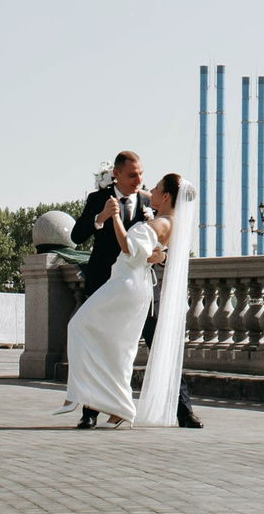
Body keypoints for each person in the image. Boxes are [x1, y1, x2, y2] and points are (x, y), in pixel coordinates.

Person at [60, 151, 152, 428]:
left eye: (141, 174)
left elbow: (160, 239)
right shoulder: (97, 199)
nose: (139, 181)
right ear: (116, 174)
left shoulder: (149, 202)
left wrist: (163, 256)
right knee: (94, 343)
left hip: (135, 286)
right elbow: (76, 236)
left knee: (133, 346)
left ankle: (180, 408)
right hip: (102, 282)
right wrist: (99, 218)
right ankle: (90, 411)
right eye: (132, 175)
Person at [132, 172, 201, 428]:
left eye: (157, 187)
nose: (152, 189)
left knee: (158, 350)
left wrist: (159, 257)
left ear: (167, 195)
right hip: (144, 292)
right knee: (153, 351)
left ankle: (182, 409)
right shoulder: (168, 218)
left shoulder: (165, 221)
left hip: (150, 296)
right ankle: (183, 410)